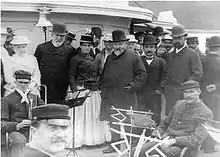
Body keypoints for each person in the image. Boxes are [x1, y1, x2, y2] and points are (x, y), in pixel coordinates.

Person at [132, 80, 213, 157]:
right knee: (135, 151)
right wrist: (155, 135)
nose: (188, 95)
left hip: (183, 147)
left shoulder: (206, 113)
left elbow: (196, 139)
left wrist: (174, 140)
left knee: (164, 152)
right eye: (185, 92)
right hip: (164, 139)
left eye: (191, 92)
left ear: (199, 92)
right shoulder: (179, 104)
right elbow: (165, 123)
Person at [100, 29, 147, 153]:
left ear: (126, 44)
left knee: (128, 123)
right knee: (112, 122)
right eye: (116, 44)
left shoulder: (134, 57)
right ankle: (114, 145)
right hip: (111, 96)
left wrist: (132, 85)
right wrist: (101, 87)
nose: (118, 46)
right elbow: (104, 74)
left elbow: (142, 75)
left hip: (126, 96)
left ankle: (131, 147)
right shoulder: (110, 58)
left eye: (120, 44)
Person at [67, 34, 108, 147]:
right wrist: (74, 90)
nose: (87, 48)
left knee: (91, 115)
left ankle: (91, 139)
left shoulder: (92, 58)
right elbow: (71, 76)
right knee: (80, 116)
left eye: (89, 45)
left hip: (92, 90)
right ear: (80, 46)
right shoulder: (75, 59)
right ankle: (78, 140)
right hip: (80, 89)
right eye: (84, 45)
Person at [1, 70, 44, 157]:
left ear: (30, 83)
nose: (23, 85)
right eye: (20, 82)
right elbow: (2, 123)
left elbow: (44, 113)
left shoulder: (35, 98)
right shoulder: (6, 100)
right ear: (15, 82)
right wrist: (18, 125)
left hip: (33, 130)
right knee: (19, 141)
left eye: (26, 83)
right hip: (16, 131)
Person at [165, 25, 203, 115]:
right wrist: (165, 88)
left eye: (179, 38)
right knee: (170, 118)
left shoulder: (192, 54)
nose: (177, 41)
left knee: (183, 119)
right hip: (170, 94)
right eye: (175, 38)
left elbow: (198, 74)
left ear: (185, 38)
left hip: (185, 95)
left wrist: (186, 87)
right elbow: (164, 73)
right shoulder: (169, 55)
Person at [34, 23, 73, 103]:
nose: (59, 38)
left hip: (61, 87)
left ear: (65, 36)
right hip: (43, 86)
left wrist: (70, 88)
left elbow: (71, 71)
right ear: (52, 34)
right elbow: (35, 67)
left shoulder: (69, 50)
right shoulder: (41, 48)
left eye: (61, 36)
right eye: (57, 35)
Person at [138, 34, 167, 125]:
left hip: (155, 95)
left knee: (155, 117)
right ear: (143, 48)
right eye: (146, 47)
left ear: (155, 48)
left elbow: (164, 77)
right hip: (140, 95)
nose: (149, 49)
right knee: (140, 117)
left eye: (151, 47)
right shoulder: (138, 60)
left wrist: (159, 89)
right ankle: (141, 136)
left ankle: (153, 136)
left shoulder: (161, 62)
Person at [201, 36, 220, 153]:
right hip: (217, 96)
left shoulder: (202, 60)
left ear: (209, 47)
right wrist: (216, 87)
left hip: (203, 95)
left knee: (203, 119)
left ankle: (202, 144)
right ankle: (210, 146)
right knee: (214, 120)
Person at [1, 27, 14, 97]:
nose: (2, 39)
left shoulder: (5, 51)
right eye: (0, 36)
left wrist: (11, 81)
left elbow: (8, 69)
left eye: (4, 36)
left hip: (5, 84)